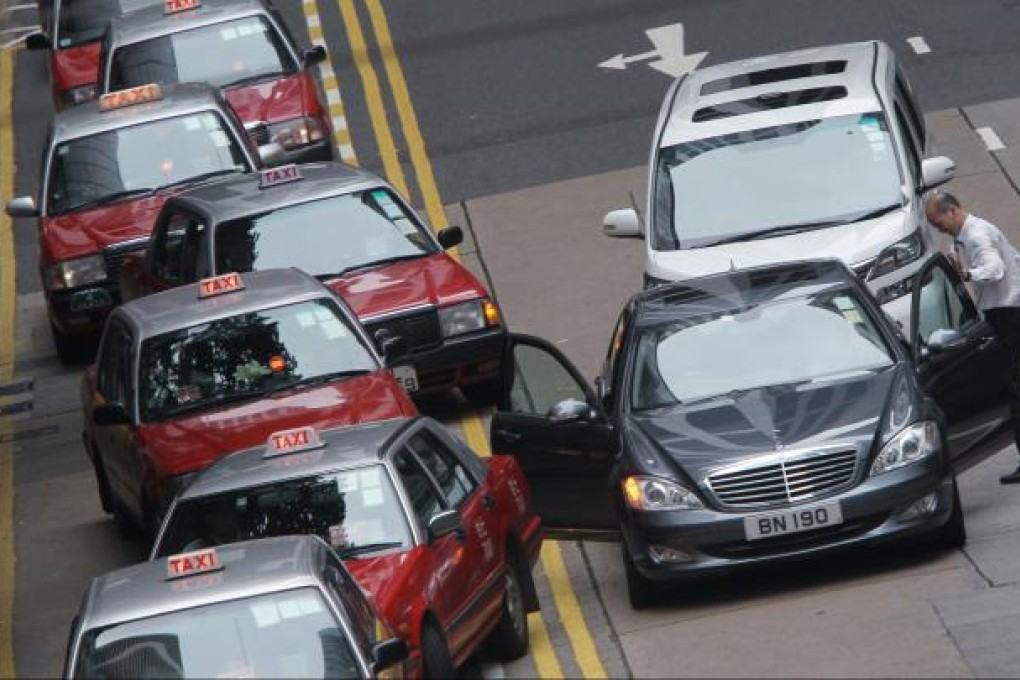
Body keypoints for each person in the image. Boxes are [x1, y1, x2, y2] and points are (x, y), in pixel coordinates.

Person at [925, 190, 1020, 483]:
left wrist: (967, 275)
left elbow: (995, 269)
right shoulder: (972, 233)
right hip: (1006, 312)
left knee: (1016, 388)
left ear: (952, 210)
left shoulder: (977, 236)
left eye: (938, 221)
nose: (937, 228)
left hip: (1009, 316)